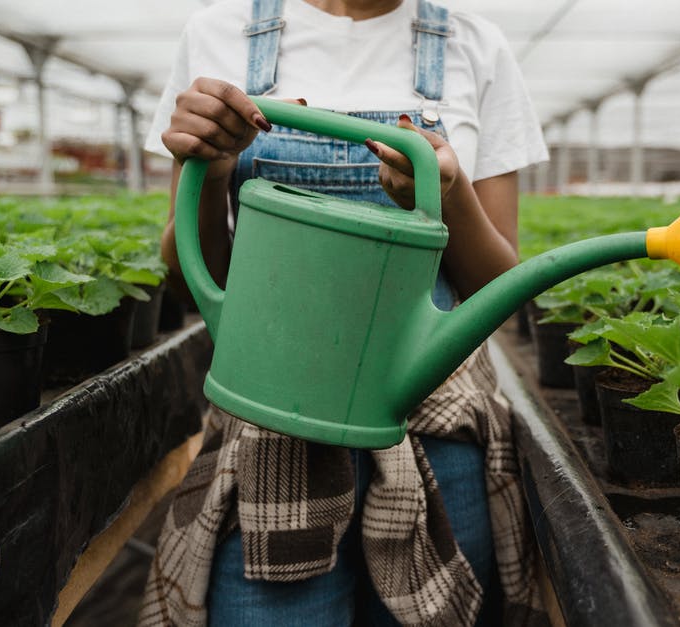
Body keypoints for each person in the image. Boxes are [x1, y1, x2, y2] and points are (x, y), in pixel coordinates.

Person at [138, 1, 549, 626]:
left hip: (436, 422)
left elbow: (496, 287)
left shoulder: (476, 46)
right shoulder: (217, 33)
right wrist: (213, 167)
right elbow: (196, 277)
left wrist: (447, 193)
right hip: (272, 426)